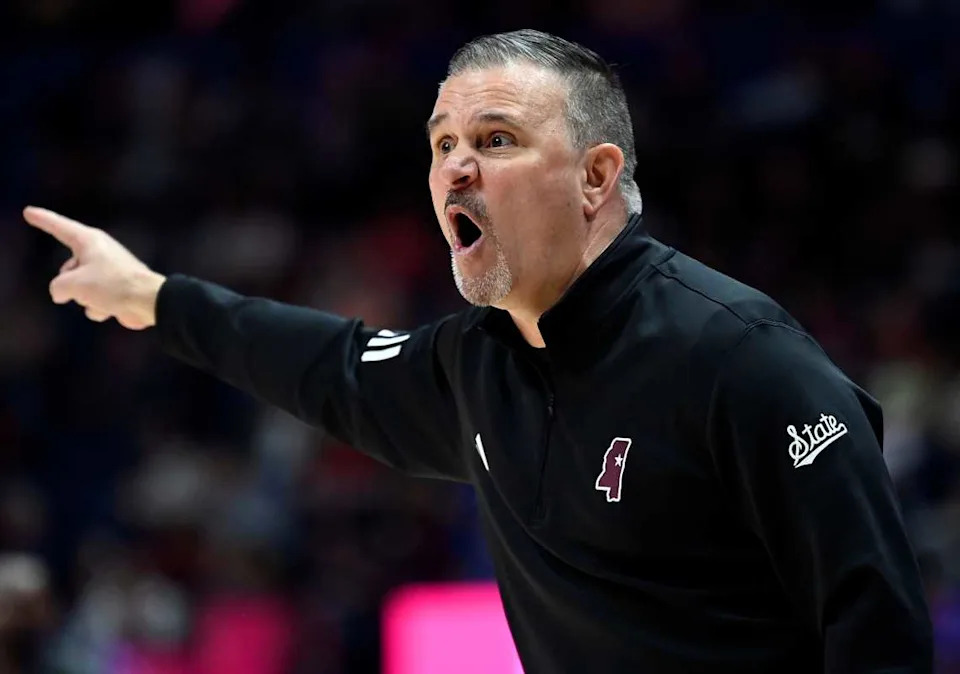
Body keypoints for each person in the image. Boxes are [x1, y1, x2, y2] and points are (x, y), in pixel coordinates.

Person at [23, 29, 932, 674]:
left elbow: (878, 632)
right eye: (443, 144)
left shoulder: (746, 359)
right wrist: (149, 297)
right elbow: (321, 361)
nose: (456, 167)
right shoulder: (473, 367)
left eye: (495, 141)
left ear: (596, 177)